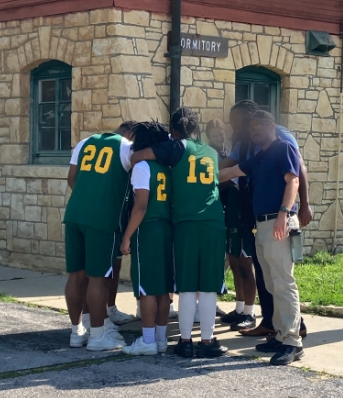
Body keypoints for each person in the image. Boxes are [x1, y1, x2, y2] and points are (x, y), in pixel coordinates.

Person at [131, 107, 228, 358]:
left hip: (186, 222)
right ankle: (207, 341)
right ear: (197, 129)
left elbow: (139, 156)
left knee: (186, 284)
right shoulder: (212, 152)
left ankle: (185, 341)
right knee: (208, 285)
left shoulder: (176, 147)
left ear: (173, 130)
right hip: (214, 220)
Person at [219, 110, 304, 366]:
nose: (254, 131)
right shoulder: (259, 157)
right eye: (251, 128)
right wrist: (198, 171)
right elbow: (229, 172)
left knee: (283, 281)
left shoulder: (283, 148)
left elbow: (293, 181)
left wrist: (284, 213)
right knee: (270, 283)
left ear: (271, 125)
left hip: (278, 221)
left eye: (258, 126)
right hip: (261, 225)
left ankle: (292, 341)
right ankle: (280, 334)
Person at [64, 124, 133, 351]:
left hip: (74, 213)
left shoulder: (85, 142)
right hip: (102, 218)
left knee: (75, 275)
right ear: (131, 135)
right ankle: (97, 335)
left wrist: (87, 195)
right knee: (98, 278)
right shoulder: (127, 147)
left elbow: (71, 177)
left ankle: (76, 332)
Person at [120, 121, 174, 356]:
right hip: (167, 227)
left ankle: (148, 340)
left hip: (149, 228)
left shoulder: (143, 167)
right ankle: (160, 339)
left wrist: (127, 236)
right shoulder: (168, 167)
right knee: (164, 288)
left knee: (147, 288)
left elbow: (141, 206)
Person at [219, 101, 258, 331]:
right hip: (234, 206)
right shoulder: (240, 145)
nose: (234, 128)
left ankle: (250, 313)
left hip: (248, 208)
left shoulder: (260, 145)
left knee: (245, 262)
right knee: (234, 260)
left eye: (237, 123)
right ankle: (240, 307)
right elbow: (223, 169)